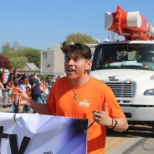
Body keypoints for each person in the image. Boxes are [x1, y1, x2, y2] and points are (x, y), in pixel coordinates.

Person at [17, 42, 128, 154]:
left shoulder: (102, 90)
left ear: (88, 65)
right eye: (67, 59)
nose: (70, 63)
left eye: (76, 59)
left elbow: (124, 125)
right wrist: (28, 102)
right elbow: (50, 111)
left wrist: (110, 122)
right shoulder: (58, 84)